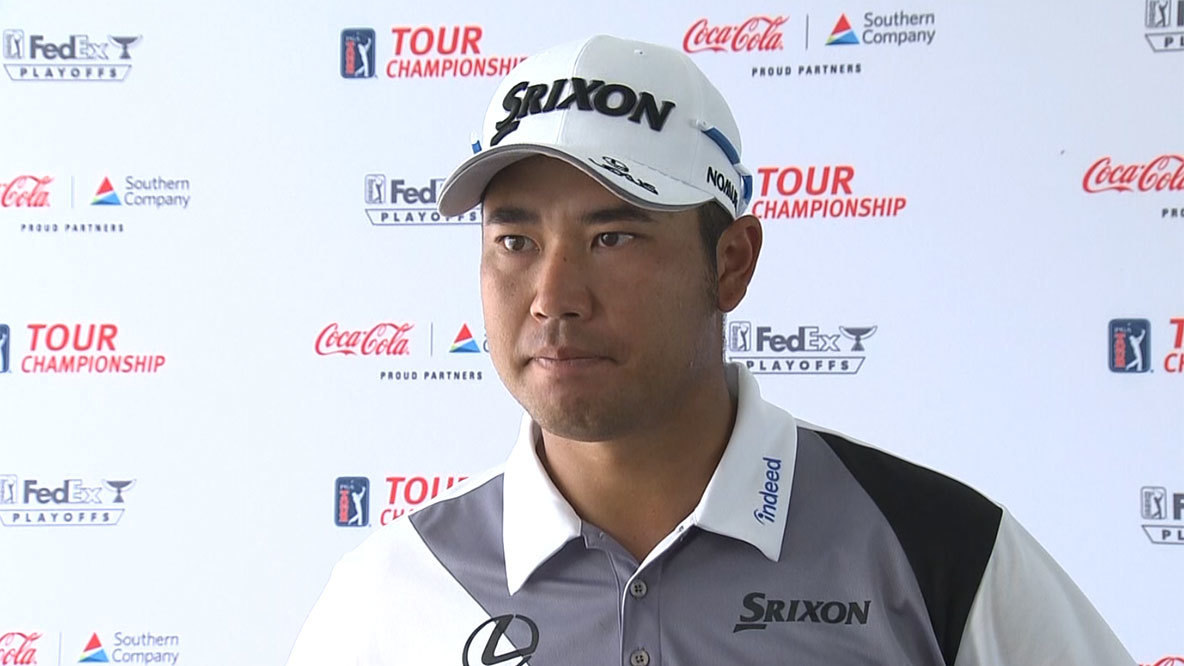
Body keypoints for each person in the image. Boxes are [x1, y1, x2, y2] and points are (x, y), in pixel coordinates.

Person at [287, 35, 1134, 665]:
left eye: (613, 237)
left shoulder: (935, 549)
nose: (553, 296)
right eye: (515, 241)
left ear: (731, 263)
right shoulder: (393, 589)